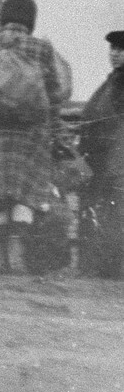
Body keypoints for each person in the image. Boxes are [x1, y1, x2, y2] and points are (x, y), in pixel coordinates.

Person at [0, 0, 69, 275]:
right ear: (30, 20)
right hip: (30, 135)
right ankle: (16, 258)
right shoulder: (41, 48)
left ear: (3, 17)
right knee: (24, 196)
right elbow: (56, 91)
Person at [77, 31, 124, 277]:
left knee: (115, 217)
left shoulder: (117, 84)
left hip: (116, 165)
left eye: (121, 49)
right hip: (103, 163)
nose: (115, 54)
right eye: (113, 49)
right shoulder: (111, 83)